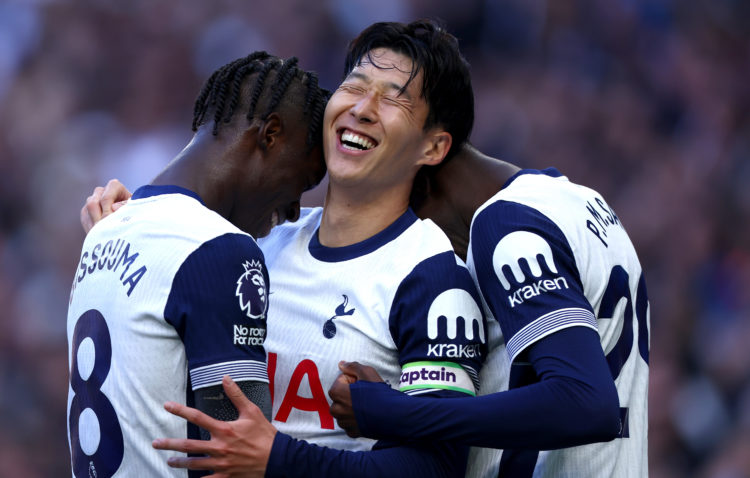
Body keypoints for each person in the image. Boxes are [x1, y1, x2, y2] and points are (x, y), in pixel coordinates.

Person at [80, 20, 487, 478]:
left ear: (433, 147)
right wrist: (129, 229)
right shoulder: (252, 245)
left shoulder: (432, 280)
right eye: (355, 86)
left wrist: (282, 461)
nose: (363, 109)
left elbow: (438, 468)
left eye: (393, 98)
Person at [67, 51, 329, 477]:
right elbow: (238, 462)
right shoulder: (219, 250)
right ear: (270, 135)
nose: (296, 211)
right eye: (301, 181)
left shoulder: (105, 230)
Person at [328, 141, 650, 477]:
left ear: (422, 186)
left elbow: (585, 403)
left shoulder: (503, 223)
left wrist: (397, 412)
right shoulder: (581, 200)